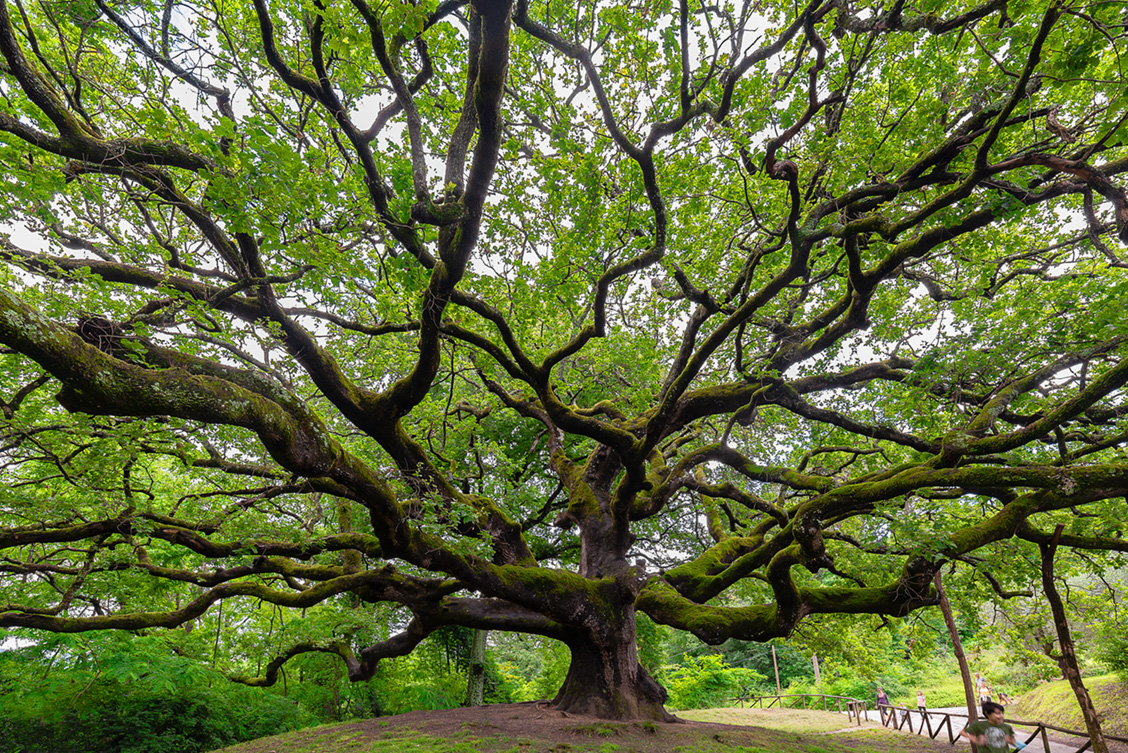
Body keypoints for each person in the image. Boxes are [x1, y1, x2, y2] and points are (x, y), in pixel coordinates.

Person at [960, 702, 1026, 752]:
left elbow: (1013, 741)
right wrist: (975, 739)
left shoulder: (1007, 727)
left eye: (1002, 713)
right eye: (997, 713)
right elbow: (962, 732)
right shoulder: (978, 725)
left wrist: (1012, 742)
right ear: (987, 713)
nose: (1001, 716)